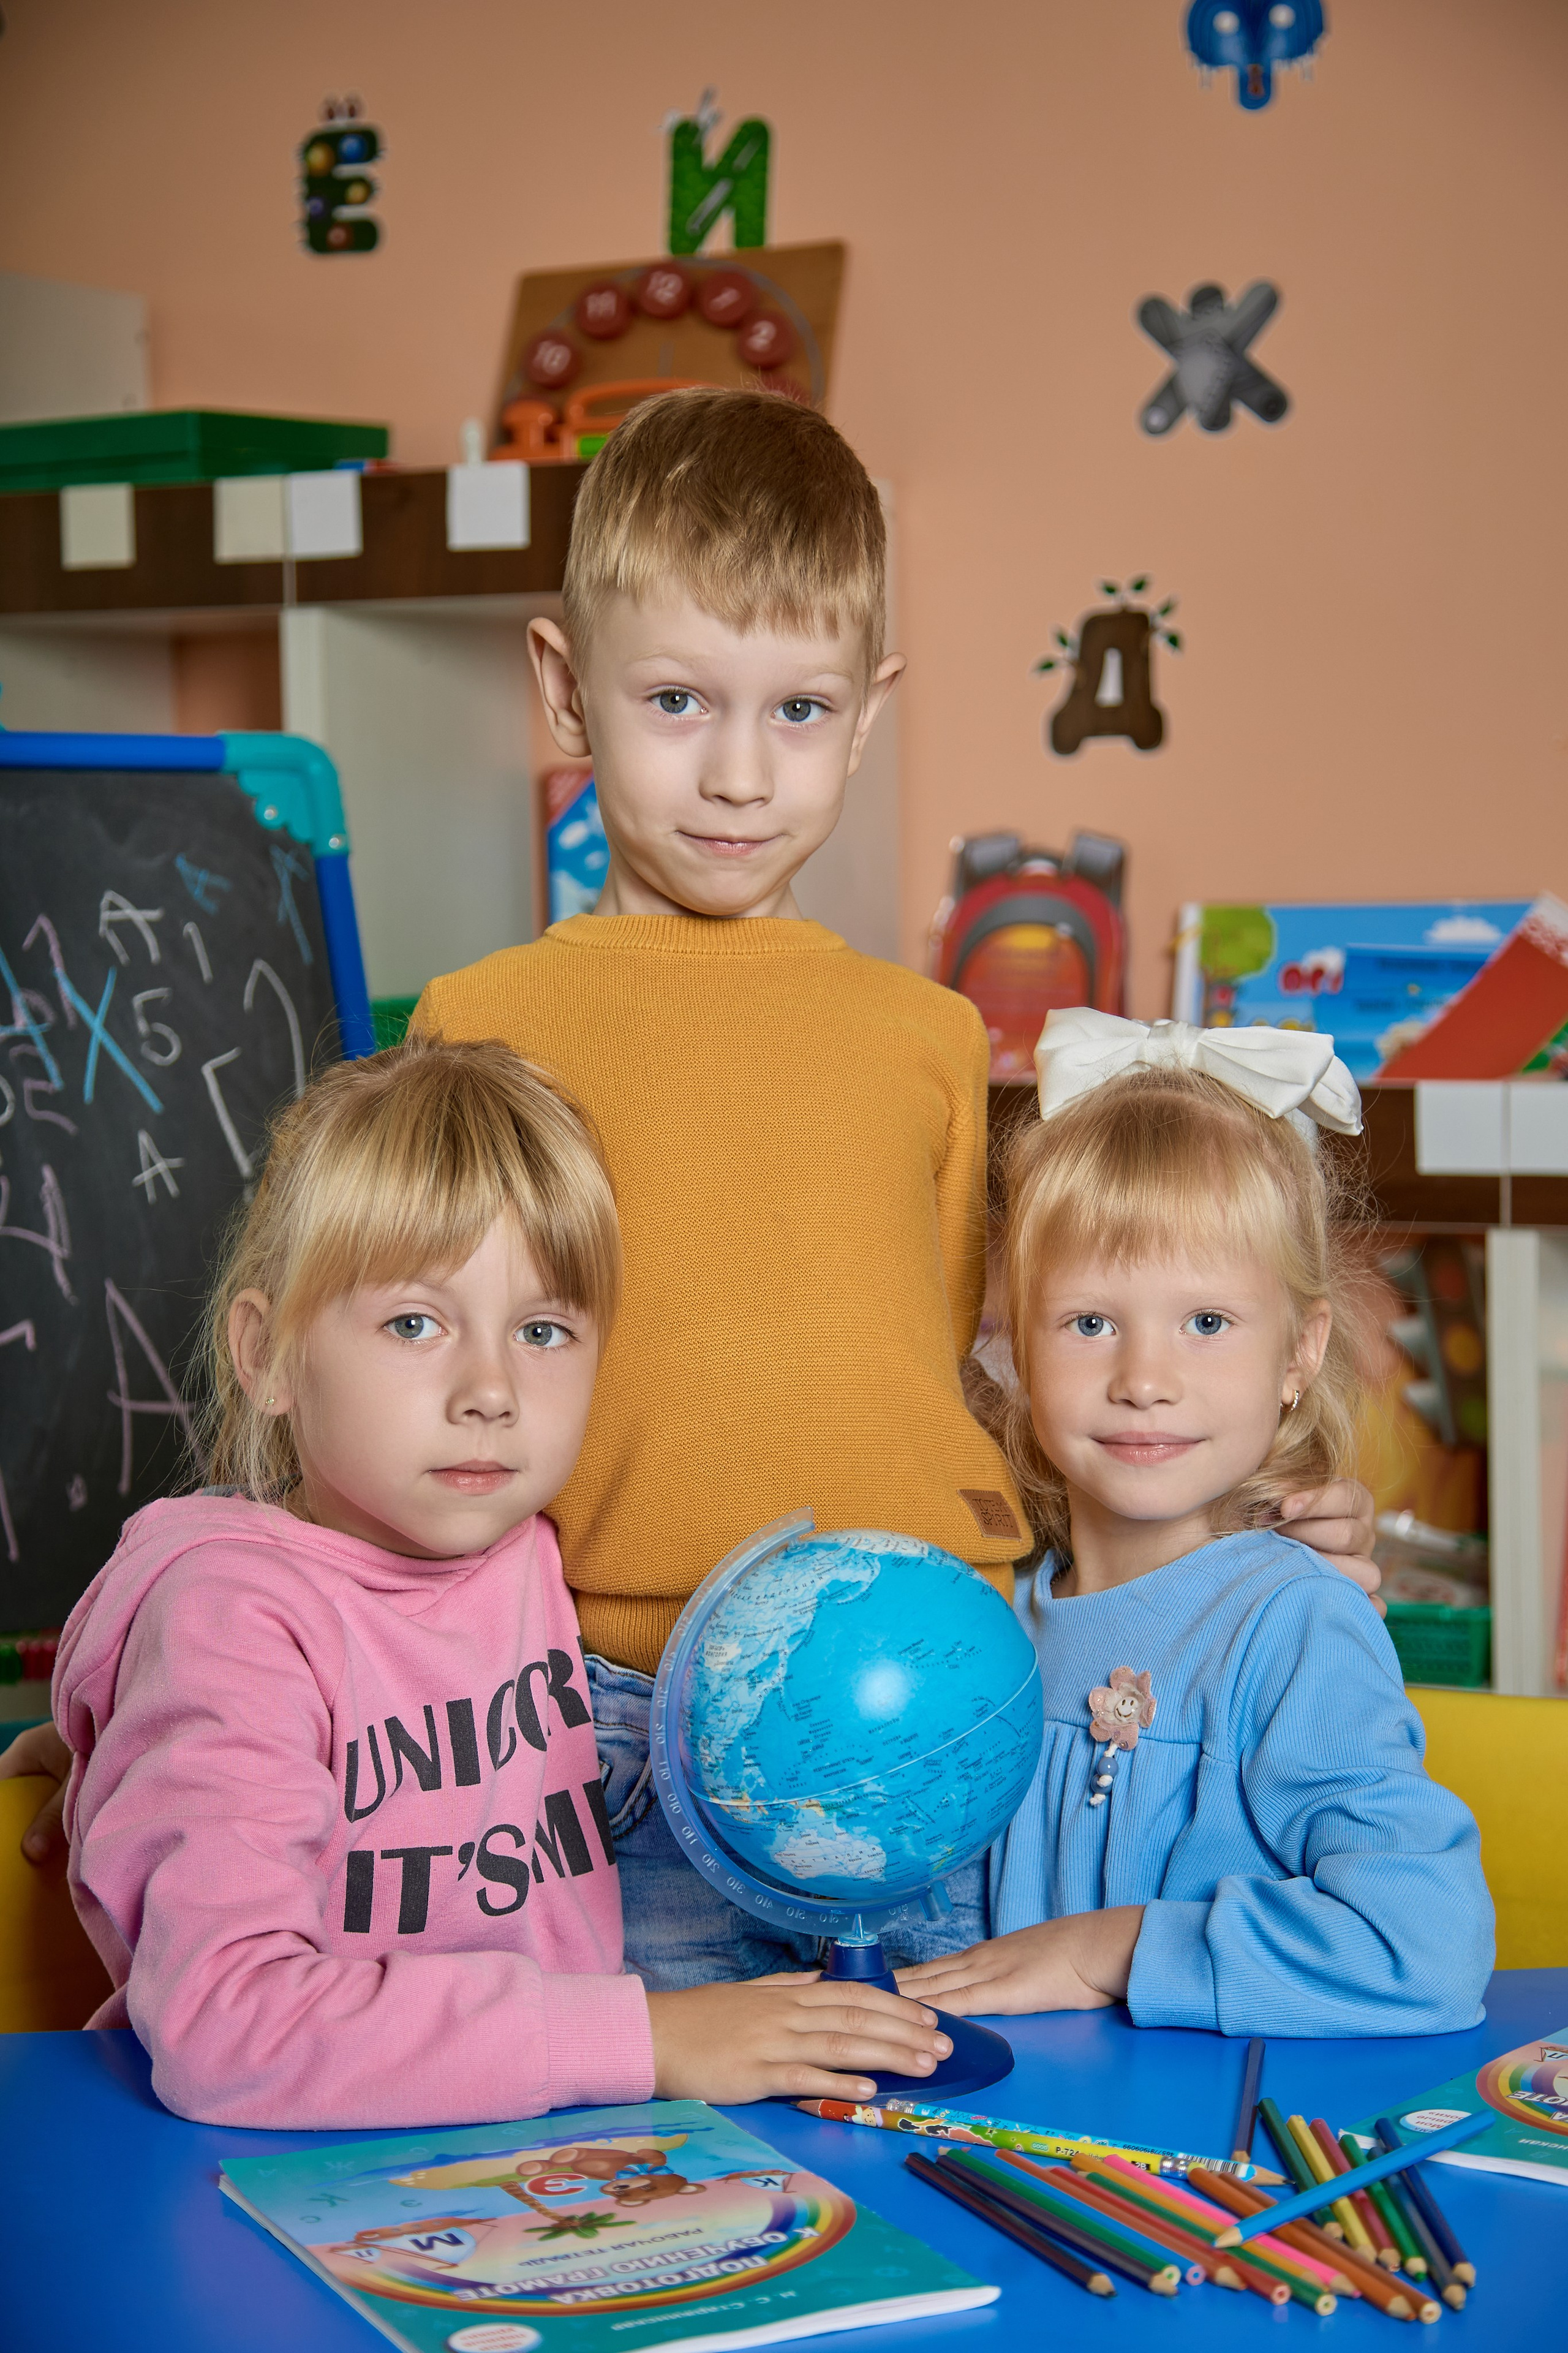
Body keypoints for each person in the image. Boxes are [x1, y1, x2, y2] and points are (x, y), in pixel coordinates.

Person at [2, 386, 1378, 1974]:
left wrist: (1235, 1529)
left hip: (935, 1709)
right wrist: (171, 1701)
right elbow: (388, 1388)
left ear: (867, 716)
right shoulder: (486, 1023)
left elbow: (993, 1388)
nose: (739, 775)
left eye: (800, 713)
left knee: (925, 2131)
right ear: (564, 690)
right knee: (645, 2163)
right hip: (590, 1720)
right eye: (676, 701)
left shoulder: (931, 1039)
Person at [47, 1035, 955, 2128]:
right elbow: (227, 2027)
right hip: (301, 2178)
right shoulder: (228, 1621)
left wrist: (96, 1735)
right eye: (414, 1323)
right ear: (269, 1356)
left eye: (542, 1329)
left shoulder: (516, 1543)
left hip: (557, 2152)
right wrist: (646, 2035)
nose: (490, 1389)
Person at [899, 1011, 1493, 2038]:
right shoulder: (1001, 1604)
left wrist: (1115, 1949)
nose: (1144, 1380)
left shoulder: (1295, 1624)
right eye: (1090, 1322)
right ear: (1020, 1350)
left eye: (1207, 1322)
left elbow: (1428, 1947)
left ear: (1300, 1354)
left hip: (1217, 2160)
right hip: (1026, 2145)